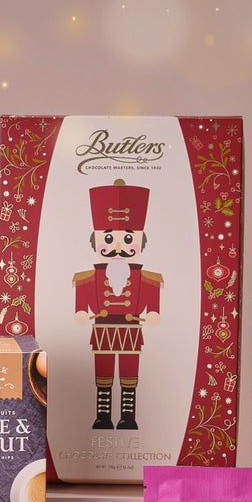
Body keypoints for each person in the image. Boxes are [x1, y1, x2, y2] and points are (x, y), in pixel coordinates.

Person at [73, 179, 160, 431]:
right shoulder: (88, 277)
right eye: (109, 239)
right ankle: (102, 417)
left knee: (130, 375)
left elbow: (151, 303)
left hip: (133, 331)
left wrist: (152, 313)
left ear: (141, 240)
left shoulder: (147, 277)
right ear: (96, 240)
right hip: (101, 330)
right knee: (103, 374)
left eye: (128, 238)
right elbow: (83, 303)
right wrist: (81, 312)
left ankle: (128, 417)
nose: (118, 247)